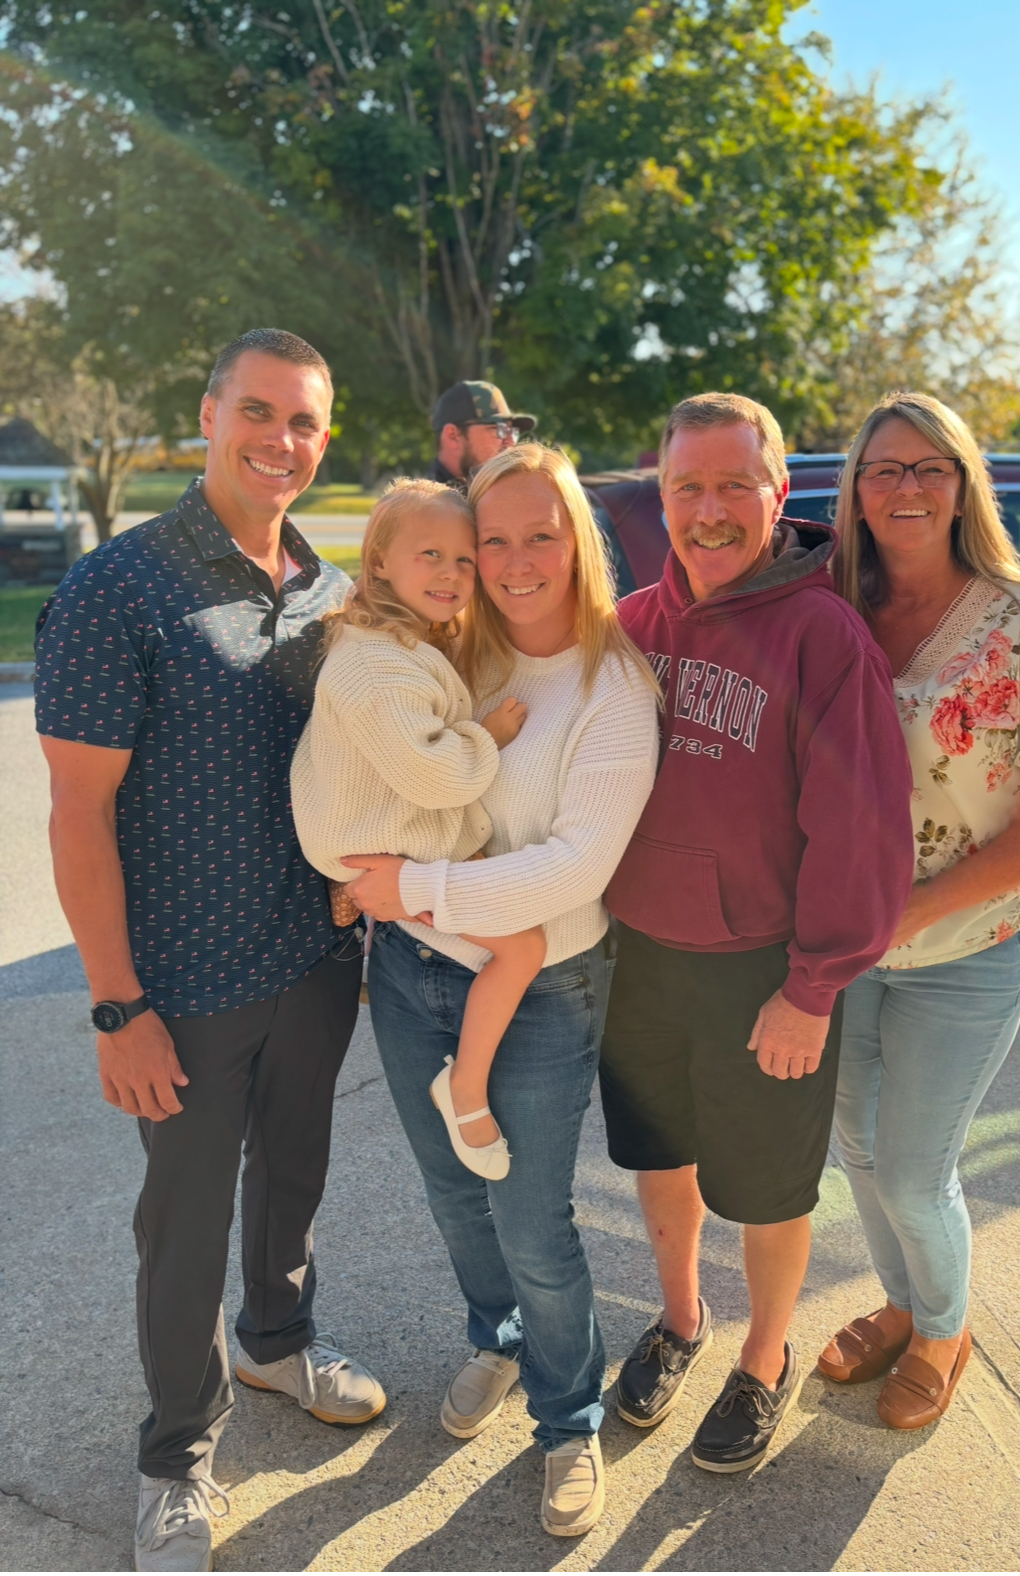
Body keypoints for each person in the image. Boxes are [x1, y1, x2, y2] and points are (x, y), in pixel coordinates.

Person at [35, 328, 385, 1574]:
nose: (280, 440)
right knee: (182, 1226)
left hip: (314, 960)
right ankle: (176, 1454)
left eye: (304, 422)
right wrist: (114, 1005)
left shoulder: (332, 593)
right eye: (258, 412)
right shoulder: (118, 589)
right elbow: (77, 815)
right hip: (179, 986)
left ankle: (278, 1340)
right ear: (208, 414)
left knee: (295, 1174)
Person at [340, 444, 660, 1537]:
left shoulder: (614, 686)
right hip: (412, 967)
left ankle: (569, 1420)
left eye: (541, 536)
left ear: (578, 543)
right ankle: (500, 1339)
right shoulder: (445, 650)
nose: (516, 561)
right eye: (494, 540)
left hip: (544, 982)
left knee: (531, 1218)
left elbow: (574, 868)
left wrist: (410, 886)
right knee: (450, 1188)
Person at [600, 392, 914, 1473]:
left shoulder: (823, 635)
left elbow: (862, 831)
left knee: (768, 1190)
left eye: (736, 484)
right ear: (660, 497)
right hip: (640, 959)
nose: (710, 510)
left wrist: (813, 987)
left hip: (763, 975)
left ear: (779, 493)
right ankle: (680, 1319)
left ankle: (764, 1356)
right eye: (687, 486)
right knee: (660, 1158)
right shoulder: (632, 627)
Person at [819, 391, 1020, 1428]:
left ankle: (944, 1329)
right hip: (840, 946)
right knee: (855, 1148)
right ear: (856, 490)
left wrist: (919, 907)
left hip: (969, 946)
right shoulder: (829, 607)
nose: (907, 486)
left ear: (963, 484)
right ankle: (901, 1304)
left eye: (930, 466)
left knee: (912, 1169)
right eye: (884, 468)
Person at [291, 478, 547, 1179]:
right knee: (523, 948)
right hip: (389, 850)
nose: (450, 573)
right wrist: (488, 736)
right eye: (429, 554)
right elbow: (438, 777)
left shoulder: (393, 642)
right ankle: (464, 1089)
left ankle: (375, 921)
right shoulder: (377, 666)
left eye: (464, 559)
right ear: (378, 561)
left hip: (379, 838)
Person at [430, 380, 536, 490]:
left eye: (512, 431)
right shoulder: (423, 499)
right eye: (498, 429)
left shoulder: (504, 492)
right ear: (453, 436)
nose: (511, 441)